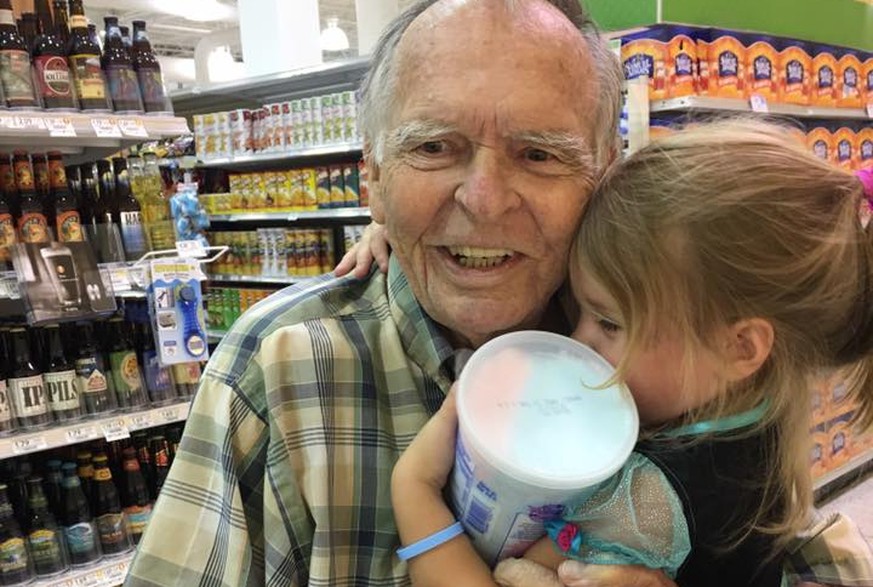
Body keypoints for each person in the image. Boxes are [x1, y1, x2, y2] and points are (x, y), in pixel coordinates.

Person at [125, 1, 653, 585]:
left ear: (605, 175)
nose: (484, 200)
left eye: (538, 154)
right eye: (433, 148)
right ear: (373, 177)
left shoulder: (662, 346)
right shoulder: (277, 365)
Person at [388, 120, 873, 586]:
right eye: (575, 307)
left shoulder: (642, 503)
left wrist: (415, 490)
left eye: (609, 323)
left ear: (740, 347)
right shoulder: (759, 409)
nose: (580, 341)